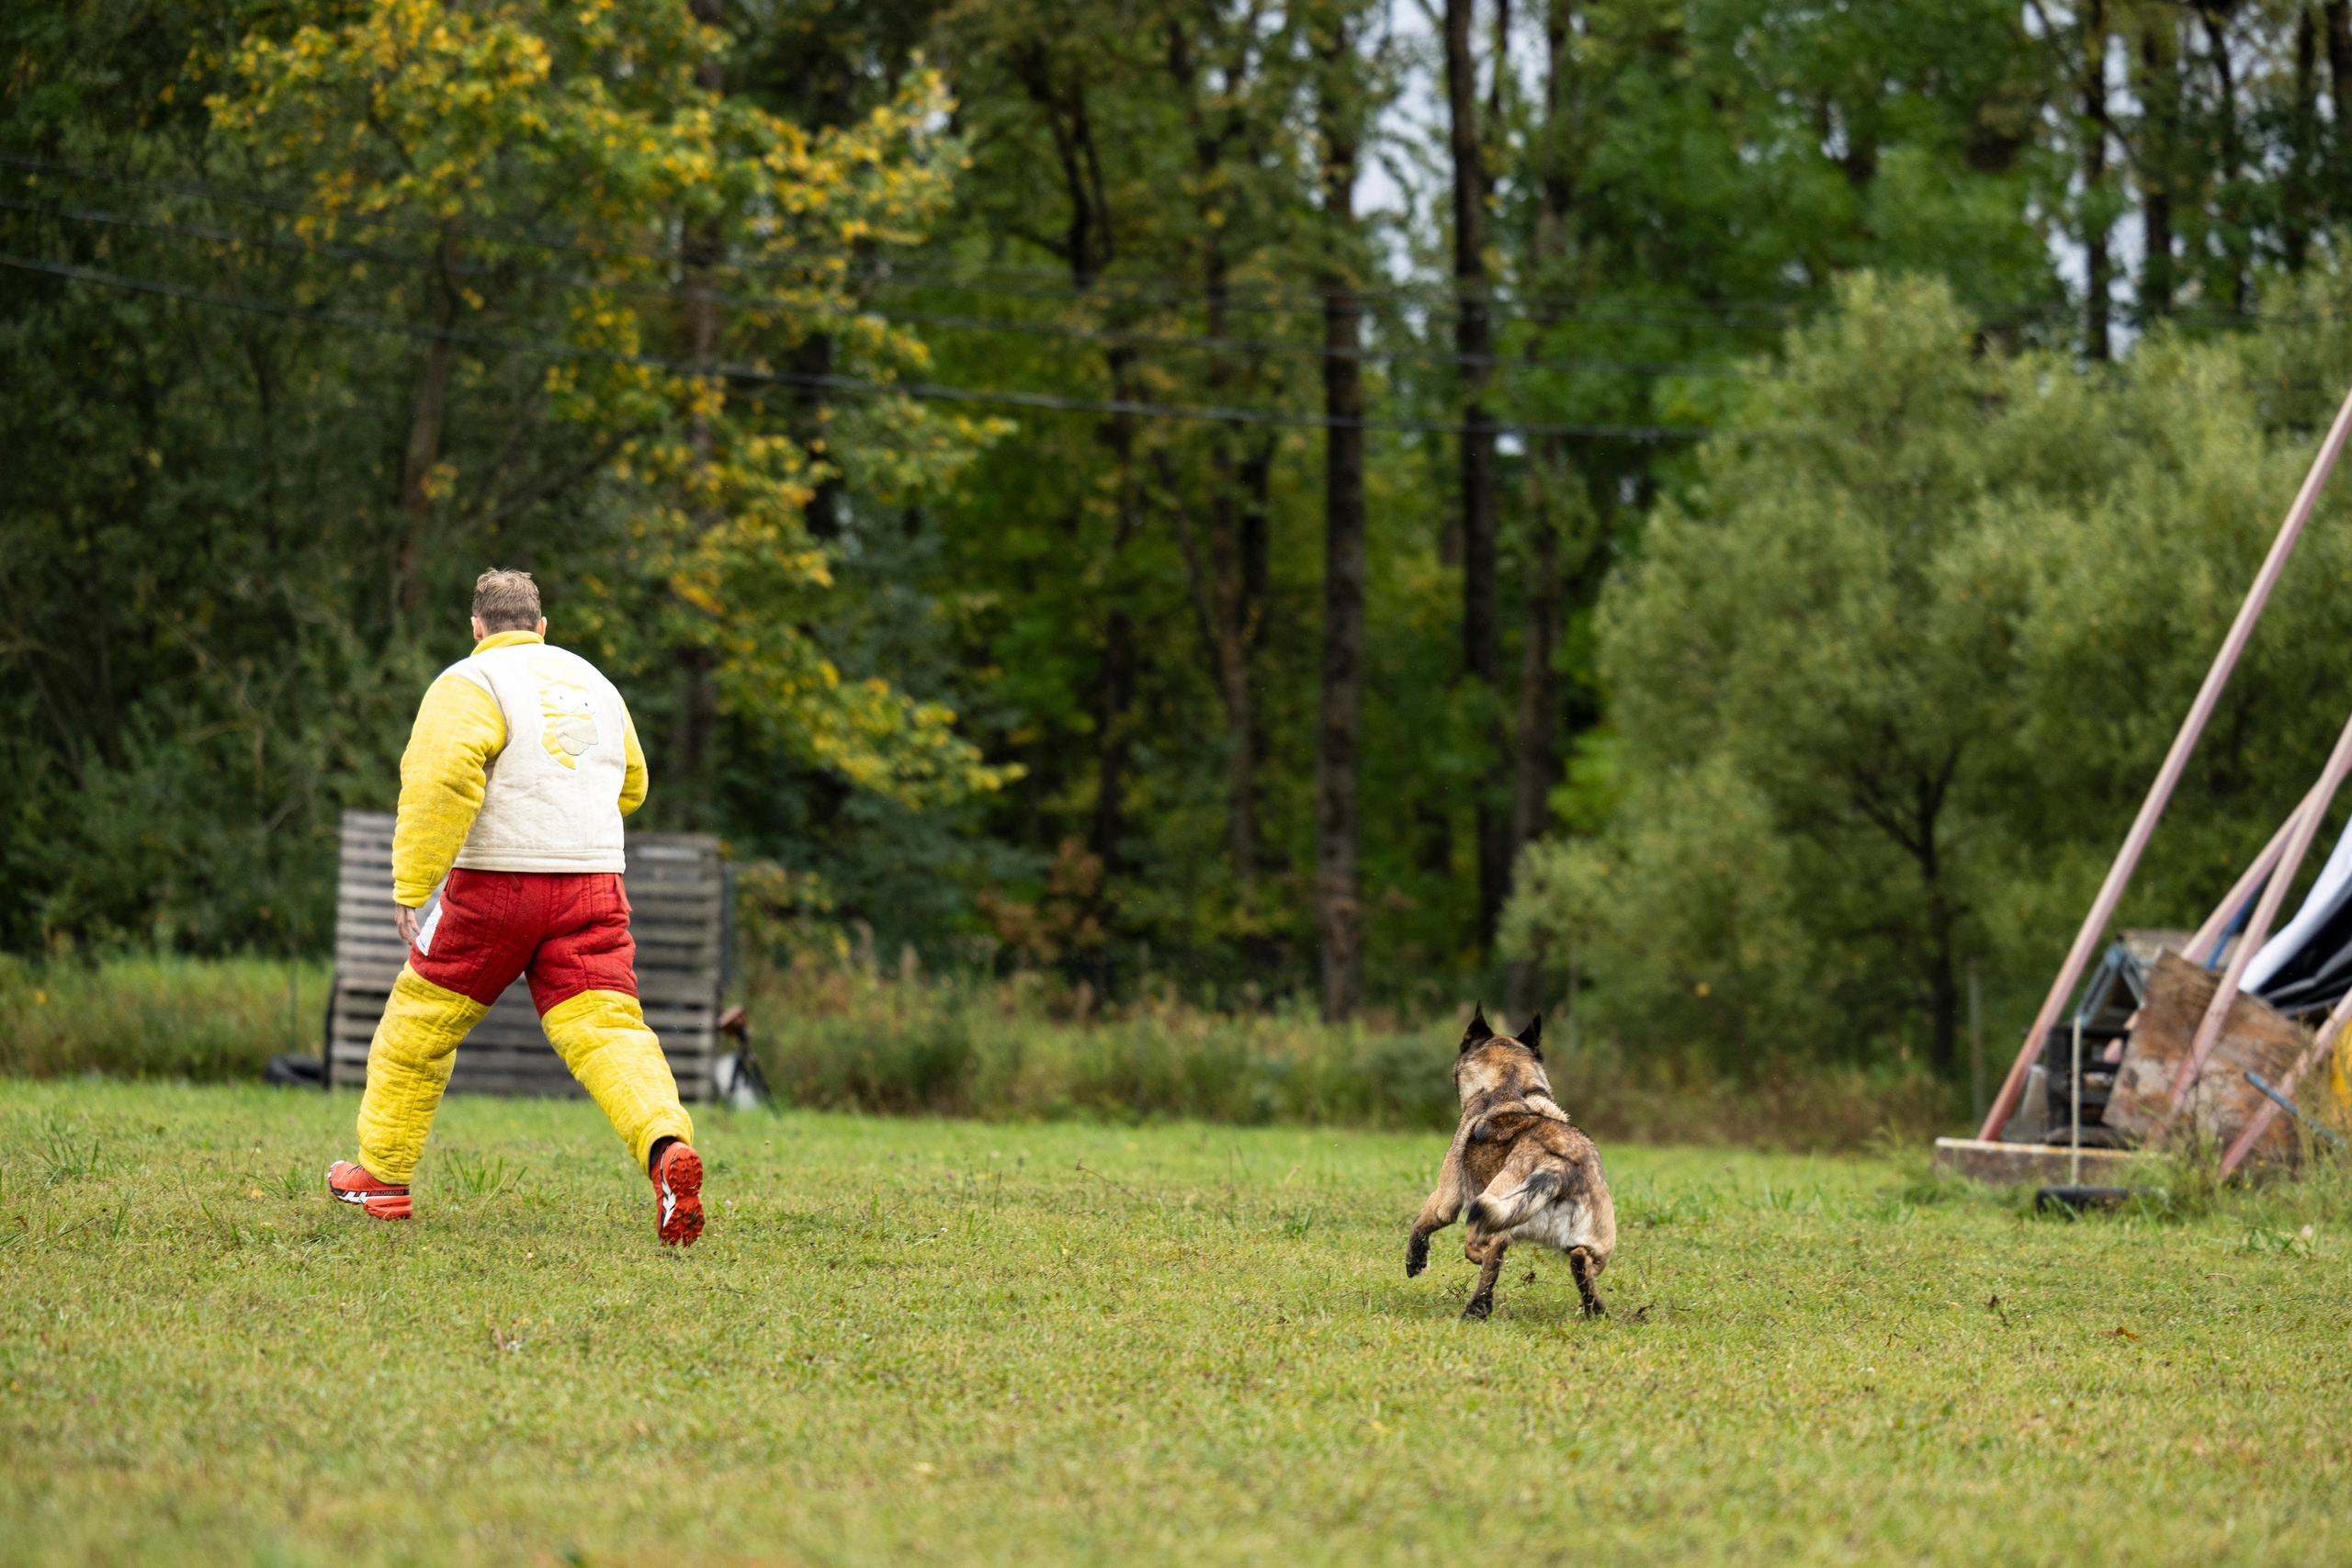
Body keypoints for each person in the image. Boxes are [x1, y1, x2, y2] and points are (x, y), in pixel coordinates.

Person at [326, 569, 707, 1245]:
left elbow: (442, 781)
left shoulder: (470, 682)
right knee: (609, 1029)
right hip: (593, 885)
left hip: (495, 888)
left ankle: (381, 1177)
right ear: (542, 626)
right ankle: (664, 1146)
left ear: (476, 628)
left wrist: (412, 883)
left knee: (419, 1023)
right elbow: (633, 784)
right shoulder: (595, 682)